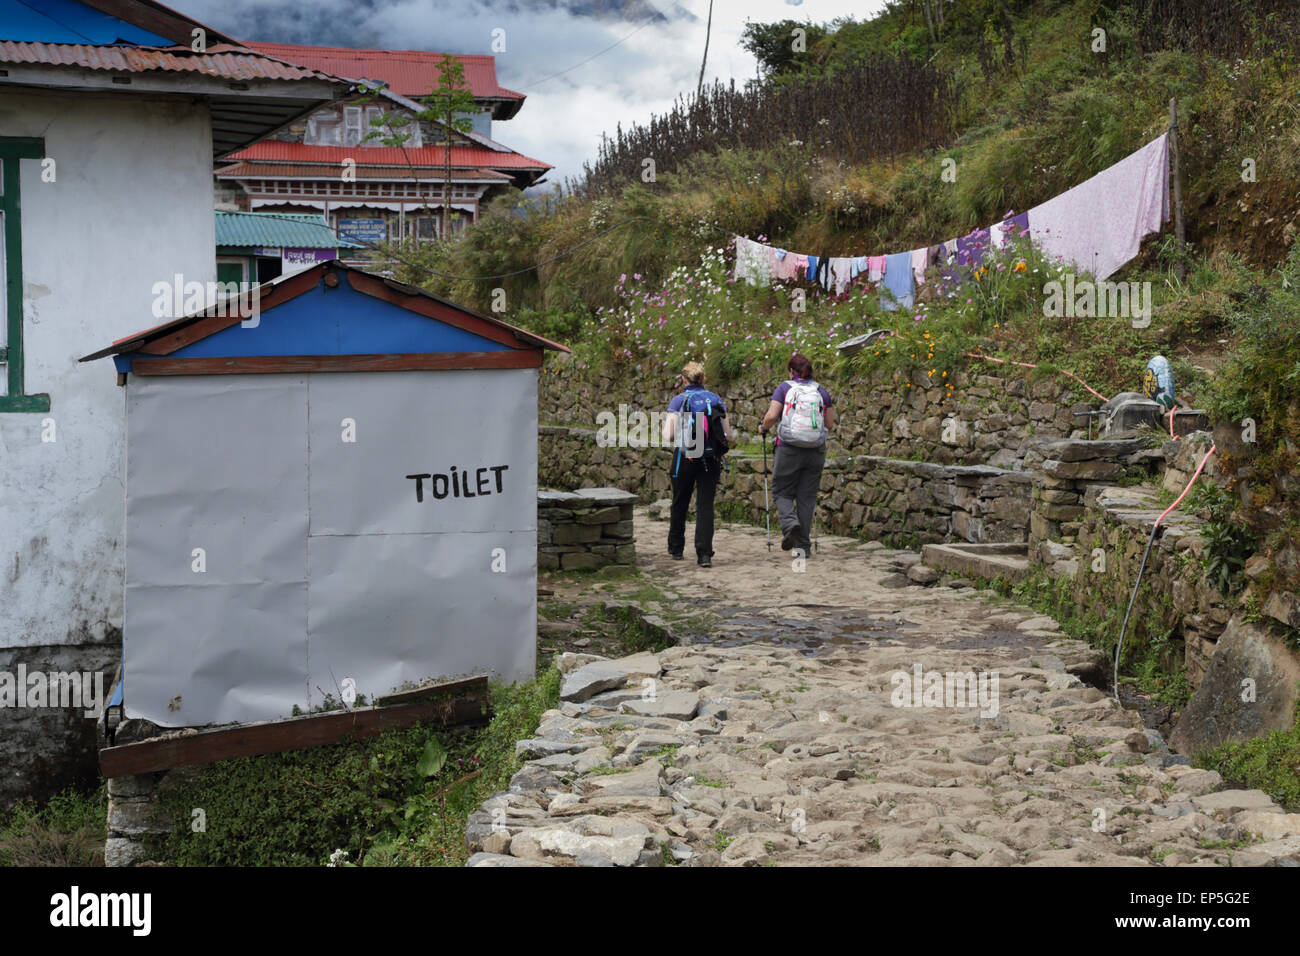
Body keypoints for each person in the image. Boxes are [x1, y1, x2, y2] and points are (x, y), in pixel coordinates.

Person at [759, 353, 834, 556]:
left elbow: (772, 415)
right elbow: (829, 424)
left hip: (788, 448)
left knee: (781, 491)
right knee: (807, 497)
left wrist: (763, 428)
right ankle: (803, 546)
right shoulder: (821, 391)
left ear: (791, 372)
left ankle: (791, 523)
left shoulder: (784, 388)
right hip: (815, 451)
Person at [662, 362, 730, 567]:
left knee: (680, 501)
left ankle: (676, 548)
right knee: (705, 505)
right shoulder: (716, 399)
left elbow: (669, 434)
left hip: (686, 456)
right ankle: (704, 554)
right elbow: (726, 433)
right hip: (711, 458)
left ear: (684, 380)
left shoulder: (679, 400)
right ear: (703, 379)